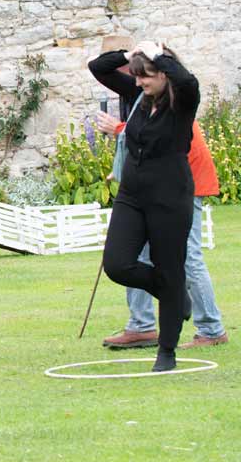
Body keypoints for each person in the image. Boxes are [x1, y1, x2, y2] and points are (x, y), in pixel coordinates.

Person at [89, 40, 201, 371]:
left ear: (164, 74)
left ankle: (167, 352)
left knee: (170, 267)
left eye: (147, 76)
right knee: (117, 264)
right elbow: (99, 67)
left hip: (169, 197)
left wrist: (159, 56)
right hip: (133, 195)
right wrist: (131, 54)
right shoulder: (137, 96)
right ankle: (174, 294)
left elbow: (187, 80)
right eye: (137, 76)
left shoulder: (182, 102)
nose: (139, 82)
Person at [95, 112, 228, 351]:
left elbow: (160, 134)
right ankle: (141, 326)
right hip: (154, 184)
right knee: (137, 254)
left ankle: (211, 329)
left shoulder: (170, 92)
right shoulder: (141, 94)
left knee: (188, 255)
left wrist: (118, 129)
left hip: (185, 183)